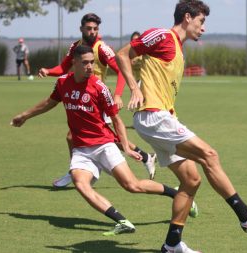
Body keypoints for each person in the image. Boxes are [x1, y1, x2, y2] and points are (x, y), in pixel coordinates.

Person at [116, 1, 247, 252]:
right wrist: (134, 87)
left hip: (162, 118)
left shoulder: (179, 49)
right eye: (201, 21)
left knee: (191, 180)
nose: (203, 28)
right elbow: (122, 54)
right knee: (210, 155)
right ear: (187, 17)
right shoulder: (163, 35)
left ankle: (172, 244)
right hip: (153, 116)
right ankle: (245, 215)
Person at [11, 45, 197, 237]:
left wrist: (125, 146)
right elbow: (49, 102)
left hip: (104, 145)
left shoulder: (99, 88)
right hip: (81, 150)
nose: (90, 66)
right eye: (85, 63)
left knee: (132, 186)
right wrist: (25, 116)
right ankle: (122, 221)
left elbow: (116, 119)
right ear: (74, 63)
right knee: (80, 183)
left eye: (92, 62)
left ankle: (175, 193)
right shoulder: (62, 83)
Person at [38, 13, 157, 187]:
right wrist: (49, 71)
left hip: (98, 98)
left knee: (81, 137)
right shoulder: (75, 47)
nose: (93, 32)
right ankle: (145, 157)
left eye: (95, 29)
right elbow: (64, 67)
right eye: (89, 28)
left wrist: (117, 95)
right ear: (81, 29)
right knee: (102, 137)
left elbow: (121, 70)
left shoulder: (102, 48)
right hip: (84, 99)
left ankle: (76, 171)